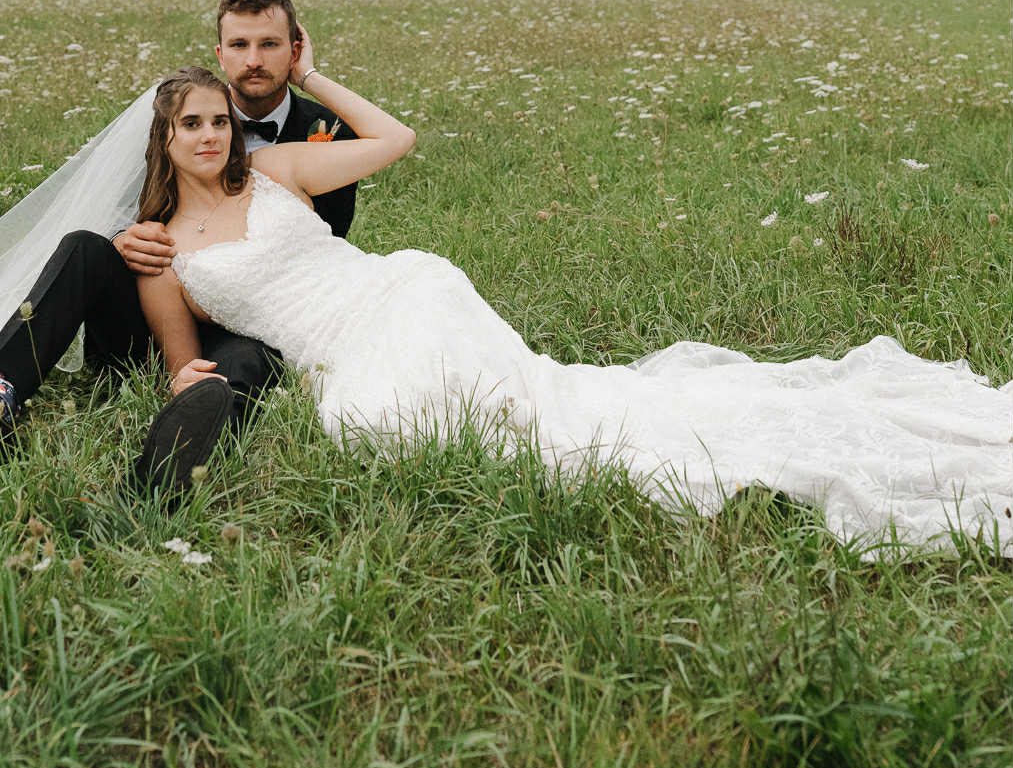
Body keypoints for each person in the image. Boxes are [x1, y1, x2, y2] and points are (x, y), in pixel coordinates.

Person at [134, 50, 1013, 559]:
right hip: (329, 349)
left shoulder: (278, 171)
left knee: (525, 413)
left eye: (220, 121)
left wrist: (315, 76)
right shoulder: (159, 249)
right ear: (164, 140)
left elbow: (394, 140)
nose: (211, 136)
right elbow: (183, 357)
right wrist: (183, 383)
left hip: (396, 292)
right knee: (370, 422)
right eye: (192, 126)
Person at [0, 0, 360, 486]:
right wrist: (123, 240)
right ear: (220, 54)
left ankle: (168, 469)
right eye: (240, 46)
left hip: (252, 318)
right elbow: (129, 201)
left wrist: (312, 77)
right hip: (157, 301)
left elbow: (325, 242)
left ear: (293, 50)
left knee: (241, 365)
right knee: (83, 247)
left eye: (269, 44)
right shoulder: (175, 113)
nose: (254, 59)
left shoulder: (326, 130)